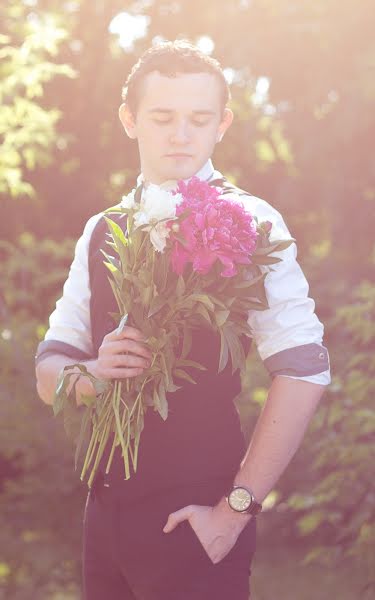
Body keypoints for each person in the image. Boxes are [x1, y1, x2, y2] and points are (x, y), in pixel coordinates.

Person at [35, 40, 331, 600]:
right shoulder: (102, 228)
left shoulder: (253, 223)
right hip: (103, 522)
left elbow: (305, 370)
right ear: (130, 120)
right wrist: (89, 376)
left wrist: (236, 508)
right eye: (163, 117)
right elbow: (49, 366)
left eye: (198, 119)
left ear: (223, 124)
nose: (180, 134)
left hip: (197, 523)